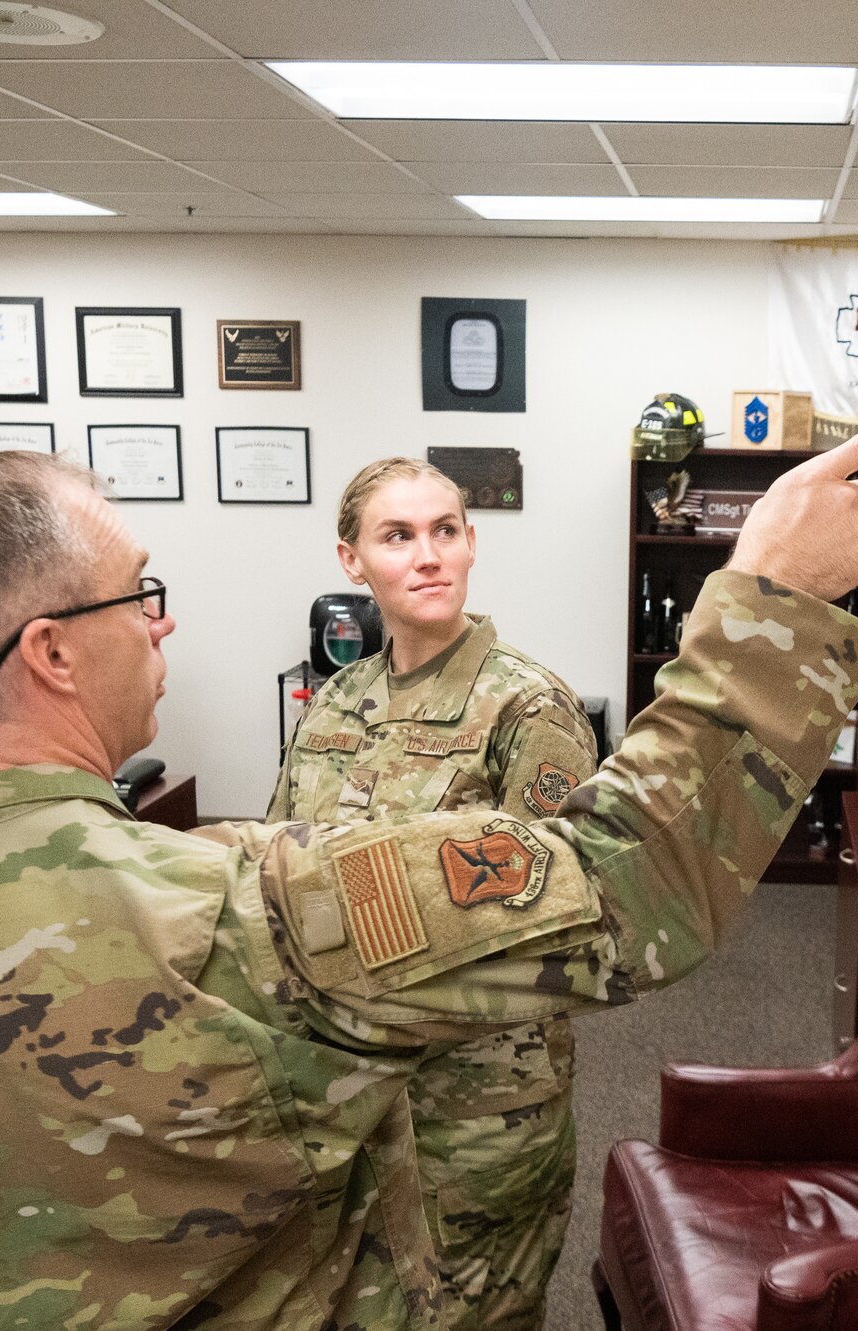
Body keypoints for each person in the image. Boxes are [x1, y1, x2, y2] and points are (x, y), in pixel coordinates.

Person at [0, 413, 858, 1330]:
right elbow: (625, 880)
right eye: (138, 596)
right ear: (50, 653)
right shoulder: (230, 915)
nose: (160, 622)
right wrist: (768, 596)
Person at [268, 458, 598, 1330]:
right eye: (398, 535)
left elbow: (568, 923)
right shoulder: (336, 700)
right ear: (352, 562)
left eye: (444, 530)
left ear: (472, 542)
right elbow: (273, 870)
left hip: (477, 1111)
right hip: (345, 1096)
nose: (428, 555)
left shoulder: (527, 708)